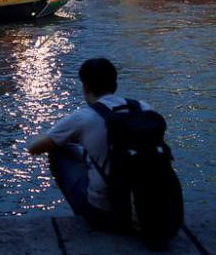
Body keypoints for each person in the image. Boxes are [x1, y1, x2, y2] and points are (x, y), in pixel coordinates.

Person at [26, 57, 150, 226]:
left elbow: (34, 148)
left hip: (106, 215)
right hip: (151, 209)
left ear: (85, 87)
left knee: (59, 149)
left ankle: (90, 215)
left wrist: (56, 135)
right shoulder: (144, 108)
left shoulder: (84, 117)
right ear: (115, 85)